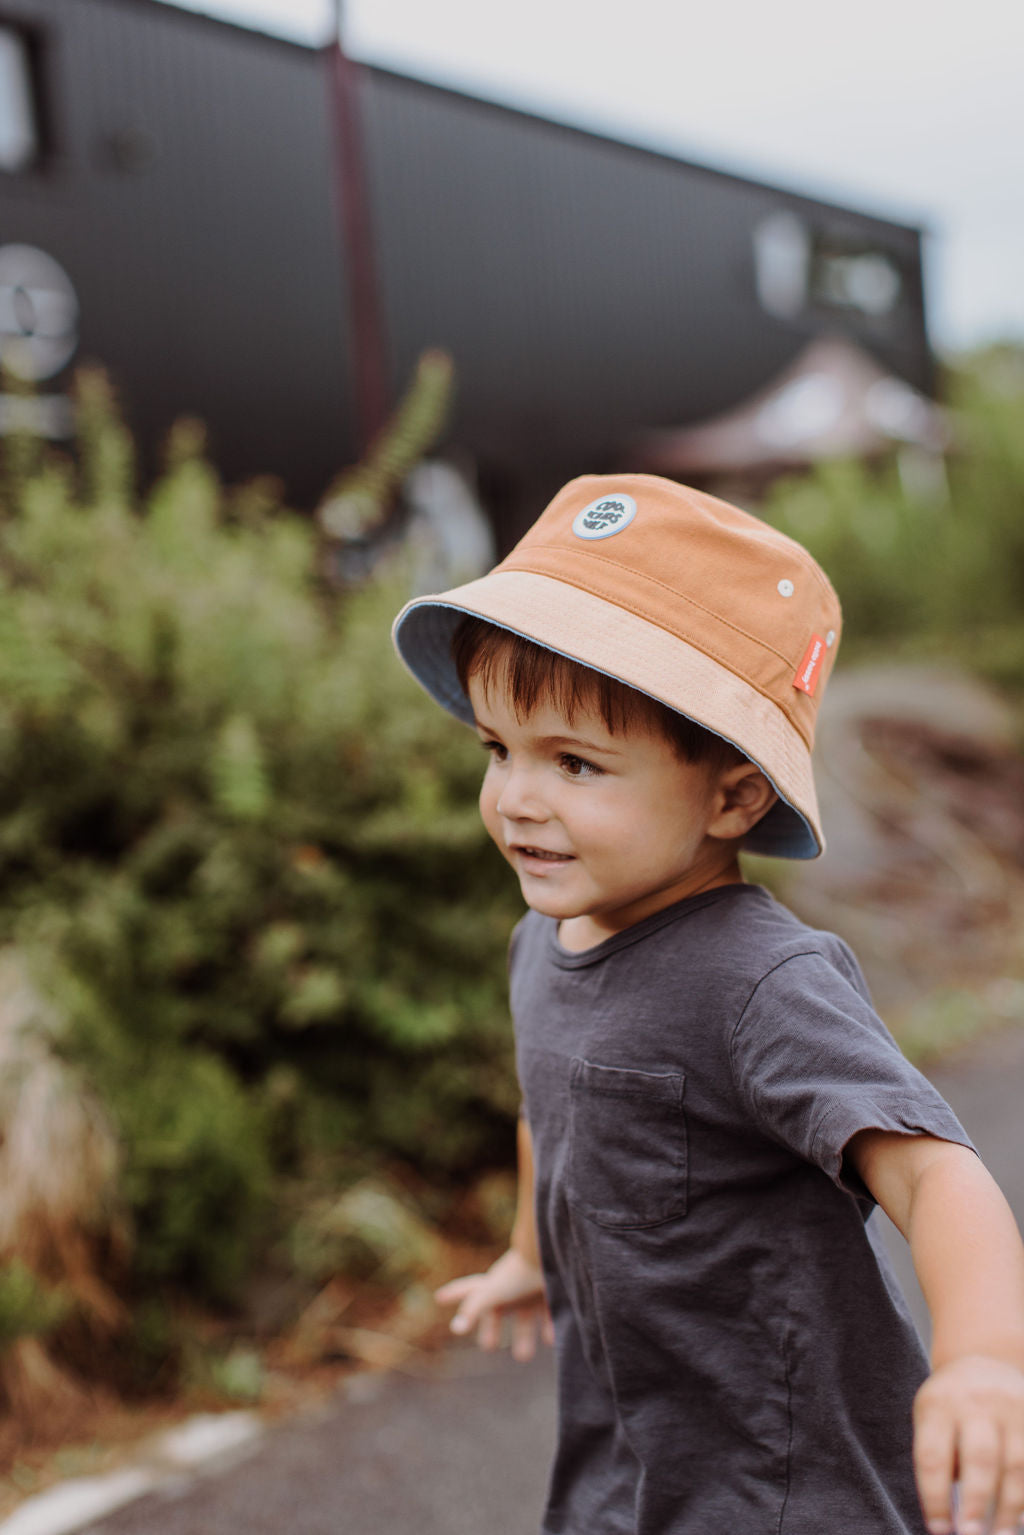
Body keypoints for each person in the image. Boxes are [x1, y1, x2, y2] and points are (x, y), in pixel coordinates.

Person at [391, 474, 1024, 1535]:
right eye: (500, 748)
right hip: (625, 1475)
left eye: (576, 761)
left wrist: (984, 1362)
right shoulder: (540, 944)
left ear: (731, 795)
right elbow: (551, 1109)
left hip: (788, 1492)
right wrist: (526, 1253)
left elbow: (935, 1171)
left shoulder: (759, 981)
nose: (517, 798)